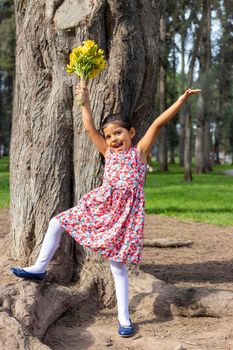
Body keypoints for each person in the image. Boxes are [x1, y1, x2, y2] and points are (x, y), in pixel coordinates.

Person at [10, 85, 201, 337]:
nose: (113, 139)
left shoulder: (139, 153)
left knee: (117, 267)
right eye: (109, 136)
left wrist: (179, 101)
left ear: (131, 132)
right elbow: (89, 127)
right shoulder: (108, 152)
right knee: (57, 222)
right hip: (101, 208)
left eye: (118, 133)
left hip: (123, 218)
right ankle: (39, 267)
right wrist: (84, 100)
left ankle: (124, 319)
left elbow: (157, 124)